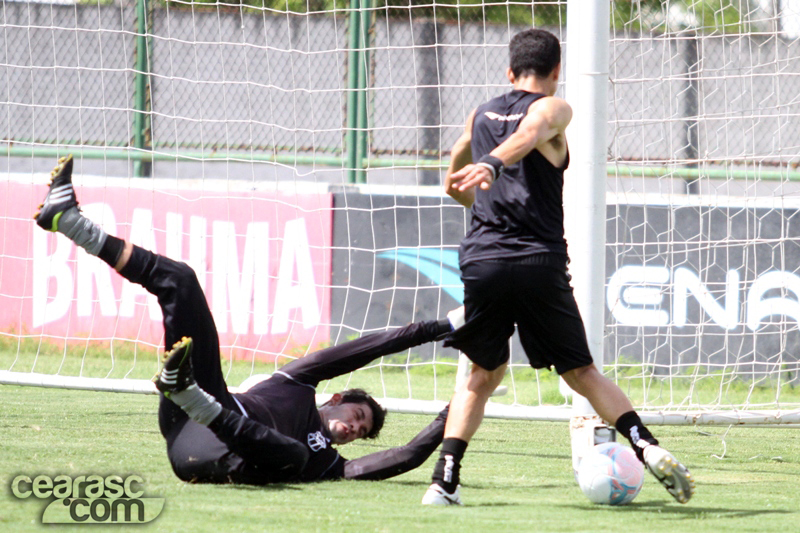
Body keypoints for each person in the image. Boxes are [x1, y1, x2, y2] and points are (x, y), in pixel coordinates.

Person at [34, 154, 452, 484]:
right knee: (181, 279)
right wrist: (442, 327)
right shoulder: (297, 383)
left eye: (359, 435)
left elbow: (406, 456)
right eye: (357, 419)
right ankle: (70, 221)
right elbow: (367, 349)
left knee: (294, 457)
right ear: (338, 400)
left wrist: (452, 415)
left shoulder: (328, 463)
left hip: (209, 449)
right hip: (195, 414)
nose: (351, 431)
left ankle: (194, 397)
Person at [421, 29, 695, 505]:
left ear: (509, 71)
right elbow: (530, 133)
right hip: (535, 259)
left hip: (482, 258)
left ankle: (444, 481)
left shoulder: (482, 112)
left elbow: (455, 169)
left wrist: (475, 173)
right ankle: (645, 445)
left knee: (480, 376)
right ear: (556, 71)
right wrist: (491, 166)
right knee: (581, 372)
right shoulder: (554, 108)